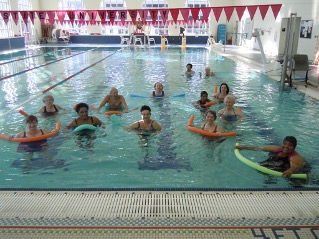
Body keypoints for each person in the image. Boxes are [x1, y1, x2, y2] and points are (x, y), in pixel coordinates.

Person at [235, 136, 311, 178]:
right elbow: (258, 148)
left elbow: (295, 167)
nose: (286, 147)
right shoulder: (276, 149)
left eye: (290, 145)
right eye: (285, 144)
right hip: (275, 165)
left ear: (294, 148)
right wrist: (243, 147)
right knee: (262, 165)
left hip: (296, 171)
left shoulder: (295, 157)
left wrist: (290, 171)